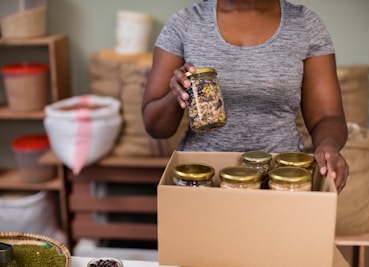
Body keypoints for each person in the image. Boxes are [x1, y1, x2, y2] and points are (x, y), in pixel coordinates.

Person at [141, 0, 349, 193]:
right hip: (202, 179)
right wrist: (176, 95)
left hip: (282, 178)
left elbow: (327, 117)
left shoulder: (304, 24)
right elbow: (155, 127)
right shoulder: (186, 22)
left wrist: (328, 145)